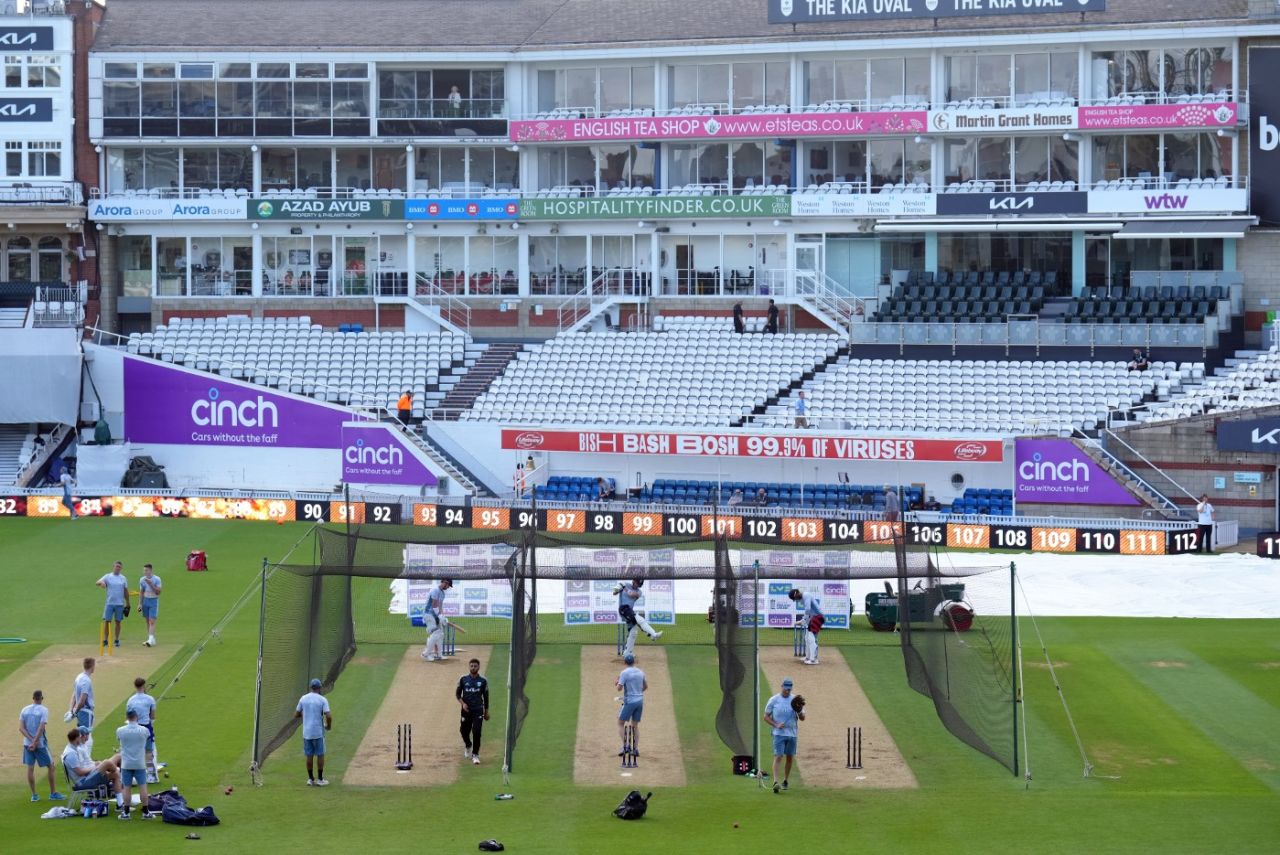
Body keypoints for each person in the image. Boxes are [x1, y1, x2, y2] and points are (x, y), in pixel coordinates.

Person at [20, 690, 64, 802]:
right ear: (41, 698)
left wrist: (30, 741)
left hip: (27, 744)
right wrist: (35, 742)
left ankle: (34, 795)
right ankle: (53, 793)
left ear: (33, 698)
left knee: (30, 768)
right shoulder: (44, 710)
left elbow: (21, 728)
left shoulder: (24, 710)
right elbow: (41, 728)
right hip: (40, 744)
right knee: (51, 766)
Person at [763, 677, 803, 793]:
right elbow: (765, 716)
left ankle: (785, 780)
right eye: (786, 689)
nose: (787, 691)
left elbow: (803, 718)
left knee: (789, 757)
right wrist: (775, 724)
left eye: (789, 689)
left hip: (792, 734)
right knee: (778, 756)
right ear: (782, 687)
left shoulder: (795, 700)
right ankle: (776, 782)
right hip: (778, 734)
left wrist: (799, 710)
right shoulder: (774, 700)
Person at [61, 727, 121, 796]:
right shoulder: (71, 754)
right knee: (107, 763)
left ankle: (120, 803)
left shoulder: (72, 749)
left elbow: (82, 767)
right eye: (80, 737)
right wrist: (95, 767)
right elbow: (80, 772)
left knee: (115, 774)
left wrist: (95, 766)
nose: (80, 739)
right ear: (76, 738)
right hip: (83, 782)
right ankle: (117, 771)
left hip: (86, 778)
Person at [294, 679, 332, 786]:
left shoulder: (303, 698)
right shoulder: (322, 699)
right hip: (318, 732)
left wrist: (305, 714)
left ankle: (310, 779)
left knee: (309, 755)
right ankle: (320, 780)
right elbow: (328, 716)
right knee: (320, 754)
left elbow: (296, 715)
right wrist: (328, 726)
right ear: (319, 688)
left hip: (307, 733)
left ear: (311, 687)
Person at [115, 709, 149, 819]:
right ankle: (145, 812)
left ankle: (126, 813)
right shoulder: (144, 730)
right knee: (143, 787)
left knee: (126, 788)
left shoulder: (120, 730)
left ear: (127, 717)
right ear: (136, 716)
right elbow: (148, 744)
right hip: (139, 763)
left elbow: (119, 741)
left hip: (126, 763)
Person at [615, 579, 662, 657]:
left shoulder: (639, 592)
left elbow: (631, 594)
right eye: (637, 583)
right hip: (623, 609)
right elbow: (614, 592)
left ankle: (627, 652)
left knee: (633, 631)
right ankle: (653, 634)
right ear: (633, 581)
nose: (637, 585)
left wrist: (623, 587)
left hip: (629, 610)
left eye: (639, 585)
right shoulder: (625, 584)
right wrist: (618, 588)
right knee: (639, 619)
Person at [456, 658, 490, 765]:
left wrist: (486, 711)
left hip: (478, 710)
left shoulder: (483, 681)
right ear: (469, 667)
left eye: (475, 666)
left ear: (479, 667)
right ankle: (468, 745)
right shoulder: (463, 679)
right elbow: (457, 694)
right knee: (463, 731)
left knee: (477, 732)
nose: (473, 668)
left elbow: (486, 697)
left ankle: (475, 755)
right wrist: (463, 704)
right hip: (466, 710)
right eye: (471, 666)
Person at [616, 652, 647, 758]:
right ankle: (636, 749)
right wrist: (638, 692)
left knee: (620, 723)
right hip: (640, 701)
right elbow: (645, 687)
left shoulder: (624, 673)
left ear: (625, 662)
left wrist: (617, 682)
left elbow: (619, 689)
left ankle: (626, 746)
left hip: (630, 701)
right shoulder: (641, 672)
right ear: (634, 661)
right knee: (635, 726)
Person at [126, 678, 157, 780]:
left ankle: (134, 775)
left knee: (135, 751)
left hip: (134, 728)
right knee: (148, 752)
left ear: (135, 686)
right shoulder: (150, 699)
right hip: (146, 727)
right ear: (144, 686)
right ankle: (151, 776)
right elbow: (152, 717)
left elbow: (128, 717)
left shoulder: (130, 700)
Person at [96, 561, 131, 649]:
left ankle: (117, 639)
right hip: (109, 603)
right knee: (107, 621)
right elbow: (97, 582)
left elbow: (125, 591)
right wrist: (102, 583)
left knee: (118, 622)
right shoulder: (108, 576)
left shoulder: (123, 578)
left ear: (121, 568)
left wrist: (128, 603)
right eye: (116, 566)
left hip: (119, 604)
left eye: (119, 567)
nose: (117, 568)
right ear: (113, 567)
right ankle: (105, 640)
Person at [788, 588, 826, 665]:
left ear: (796, 594)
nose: (795, 600)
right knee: (807, 637)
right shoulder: (802, 598)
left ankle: (814, 659)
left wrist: (803, 620)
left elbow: (808, 609)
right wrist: (804, 621)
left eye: (794, 598)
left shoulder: (806, 595)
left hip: (819, 617)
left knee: (812, 638)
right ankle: (808, 657)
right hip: (813, 617)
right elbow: (809, 612)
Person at [421, 578, 454, 661]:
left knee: (441, 634)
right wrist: (440, 616)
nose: (448, 587)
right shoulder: (435, 590)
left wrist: (443, 617)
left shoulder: (443, 594)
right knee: (436, 632)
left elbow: (440, 607)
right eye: (448, 585)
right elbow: (434, 605)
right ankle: (425, 654)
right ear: (444, 583)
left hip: (436, 615)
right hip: (428, 614)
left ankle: (439, 655)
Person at [67, 658, 94, 736]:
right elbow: (82, 701)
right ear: (92, 666)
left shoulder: (78, 677)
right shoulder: (86, 681)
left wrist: (71, 711)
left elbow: (74, 695)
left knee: (81, 736)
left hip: (80, 712)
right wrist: (74, 713)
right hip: (85, 713)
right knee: (85, 739)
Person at [138, 563, 162, 647]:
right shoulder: (142, 580)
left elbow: (158, 592)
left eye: (146, 570)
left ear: (150, 570)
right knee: (147, 620)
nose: (145, 572)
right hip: (145, 601)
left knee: (152, 621)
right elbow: (141, 592)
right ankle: (151, 639)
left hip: (153, 600)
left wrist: (151, 584)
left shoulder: (157, 579)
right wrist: (140, 604)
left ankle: (150, 639)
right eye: (144, 570)